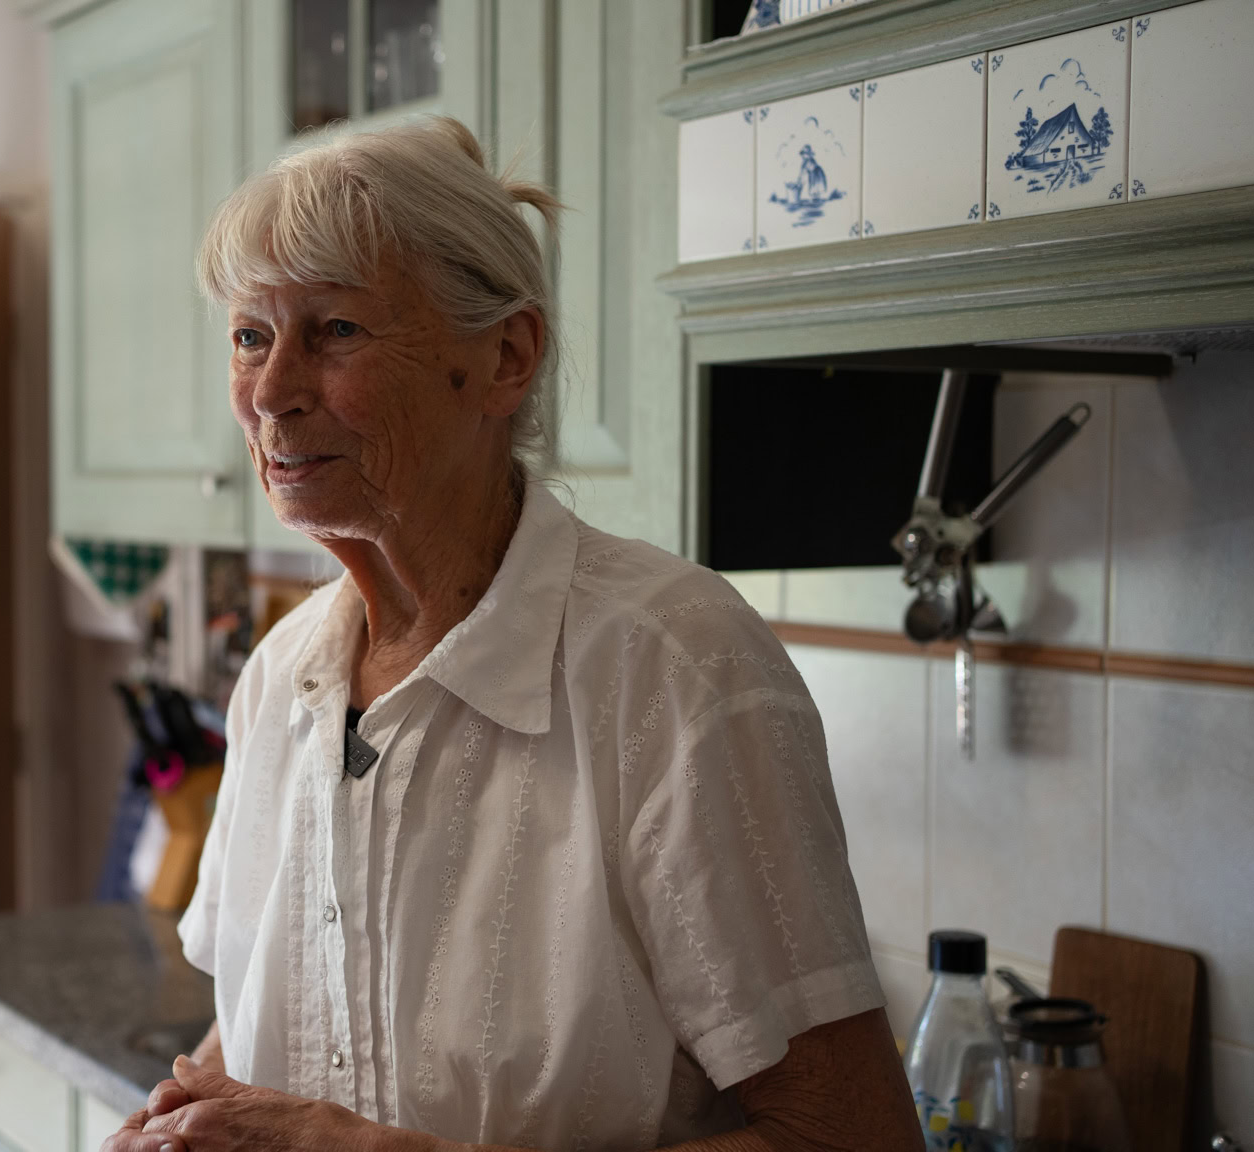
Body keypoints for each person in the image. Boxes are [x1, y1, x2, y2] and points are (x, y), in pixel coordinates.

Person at [103, 116, 922, 1152]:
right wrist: (187, 1121)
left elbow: (850, 1135)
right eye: (249, 336)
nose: (270, 394)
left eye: (337, 330)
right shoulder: (280, 678)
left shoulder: (672, 664)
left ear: (505, 358)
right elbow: (269, 1015)